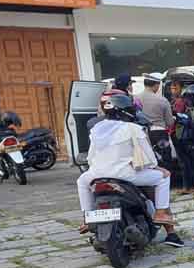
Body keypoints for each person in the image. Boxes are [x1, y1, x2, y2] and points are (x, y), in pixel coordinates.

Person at [77, 92, 183, 247]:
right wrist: (157, 168)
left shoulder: (97, 129)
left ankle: (87, 217)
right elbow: (148, 157)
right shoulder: (132, 128)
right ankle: (160, 213)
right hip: (124, 174)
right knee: (163, 177)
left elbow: (91, 157)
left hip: (96, 174)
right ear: (126, 110)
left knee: (81, 181)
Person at [135, 73, 174, 167]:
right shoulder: (162, 100)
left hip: (141, 134)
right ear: (156, 85)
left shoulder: (135, 98)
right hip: (159, 134)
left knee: (147, 161)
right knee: (165, 161)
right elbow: (170, 122)